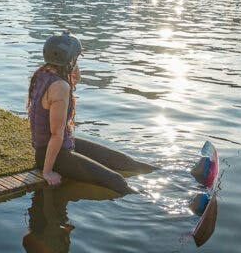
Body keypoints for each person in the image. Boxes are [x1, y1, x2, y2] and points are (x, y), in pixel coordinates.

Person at [28, 32, 156, 195]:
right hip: (50, 154)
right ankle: (151, 203)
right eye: (76, 58)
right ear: (68, 59)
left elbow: (76, 78)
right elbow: (56, 133)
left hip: (59, 147)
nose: (77, 61)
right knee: (116, 180)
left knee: (124, 162)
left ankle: (169, 172)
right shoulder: (59, 87)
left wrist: (72, 62)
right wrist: (47, 172)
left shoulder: (43, 73)